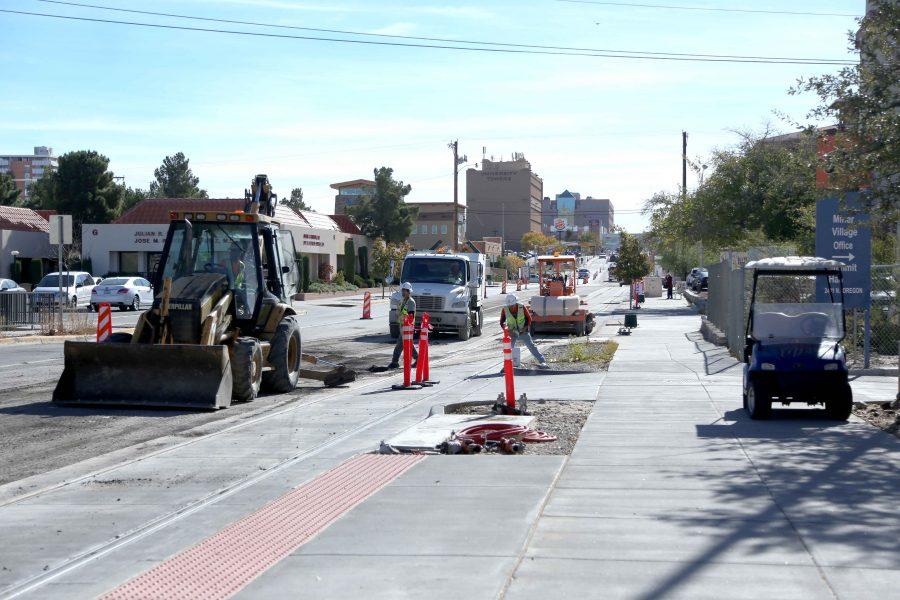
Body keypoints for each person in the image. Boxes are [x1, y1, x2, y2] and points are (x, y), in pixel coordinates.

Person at [500, 293, 548, 368]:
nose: (511, 307)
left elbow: (529, 319)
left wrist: (525, 328)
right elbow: (502, 322)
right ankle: (506, 365)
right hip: (512, 331)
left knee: (531, 346)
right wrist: (506, 329)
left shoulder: (521, 307)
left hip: (523, 330)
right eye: (510, 306)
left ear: (515, 302)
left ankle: (542, 361)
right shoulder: (505, 309)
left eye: (512, 305)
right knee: (508, 348)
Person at [388, 282, 418, 369]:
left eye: (405, 291)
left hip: (407, 327)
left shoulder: (411, 302)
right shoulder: (403, 301)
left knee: (401, 344)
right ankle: (417, 358)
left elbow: (411, 315)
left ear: (409, 291)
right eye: (403, 290)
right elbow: (400, 312)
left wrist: (407, 325)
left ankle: (395, 362)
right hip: (402, 326)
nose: (403, 292)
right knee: (407, 344)